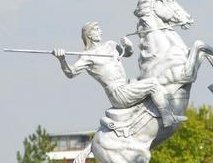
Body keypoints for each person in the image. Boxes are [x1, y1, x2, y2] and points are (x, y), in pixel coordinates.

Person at [52, 22, 186, 127]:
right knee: (153, 84)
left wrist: (128, 47)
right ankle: (168, 119)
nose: (100, 31)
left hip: (126, 85)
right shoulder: (86, 56)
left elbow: (126, 54)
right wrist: (62, 59)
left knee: (146, 79)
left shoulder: (111, 45)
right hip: (118, 93)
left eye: (99, 29)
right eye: (96, 29)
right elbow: (71, 73)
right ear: (89, 35)